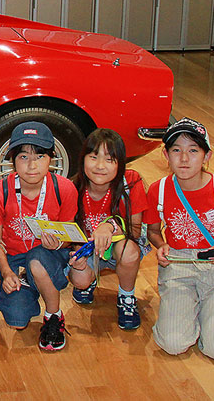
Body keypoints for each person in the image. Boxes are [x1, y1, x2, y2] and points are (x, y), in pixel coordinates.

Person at [144, 117, 214, 361]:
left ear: (207, 156)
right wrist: (161, 246)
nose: (184, 158)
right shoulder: (158, 190)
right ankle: (203, 313)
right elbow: (153, 231)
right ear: (166, 156)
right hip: (179, 265)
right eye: (176, 150)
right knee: (172, 343)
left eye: (193, 150)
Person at [0, 122, 77, 351]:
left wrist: (58, 243)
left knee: (37, 258)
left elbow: (68, 235)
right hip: (15, 261)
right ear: (13, 160)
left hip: (49, 256)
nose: (32, 165)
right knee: (16, 318)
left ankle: (54, 315)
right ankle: (30, 288)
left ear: (51, 159)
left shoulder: (64, 189)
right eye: (23, 157)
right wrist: (6, 273)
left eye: (40, 156)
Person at [67, 128, 148, 330]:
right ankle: (89, 280)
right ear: (82, 159)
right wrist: (79, 255)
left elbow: (135, 231)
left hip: (118, 246)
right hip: (87, 249)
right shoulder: (72, 187)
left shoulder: (130, 182)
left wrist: (109, 226)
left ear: (120, 163)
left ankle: (127, 297)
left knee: (129, 251)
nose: (100, 166)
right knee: (81, 280)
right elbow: (69, 232)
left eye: (110, 159)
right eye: (93, 157)